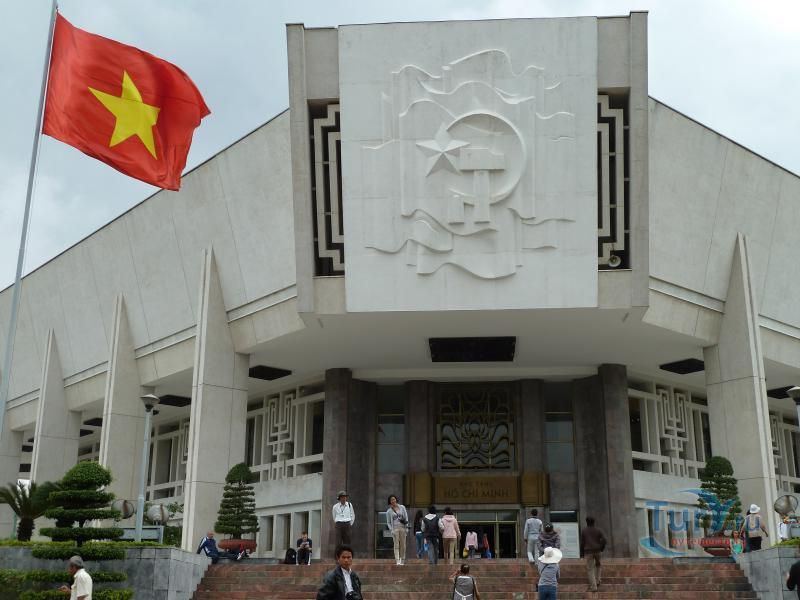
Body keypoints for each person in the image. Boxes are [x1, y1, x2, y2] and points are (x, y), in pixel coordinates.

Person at [580, 516, 607, 592]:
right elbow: (604, 540)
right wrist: (601, 548)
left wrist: (582, 554)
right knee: (598, 565)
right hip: (598, 551)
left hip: (588, 552)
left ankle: (594, 586)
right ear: (594, 522)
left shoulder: (584, 531)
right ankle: (598, 580)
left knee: (590, 569)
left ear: (586, 522)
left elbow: (582, 543)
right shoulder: (598, 530)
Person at [386, 494, 409, 565]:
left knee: (403, 545)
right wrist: (391, 530)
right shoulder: (389, 511)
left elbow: (406, 517)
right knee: (396, 545)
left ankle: (402, 559)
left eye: (394, 499)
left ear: (396, 499)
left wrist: (406, 527)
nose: (393, 501)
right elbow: (388, 522)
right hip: (395, 529)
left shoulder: (402, 507)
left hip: (402, 528)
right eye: (391, 500)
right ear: (389, 502)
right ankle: (397, 560)